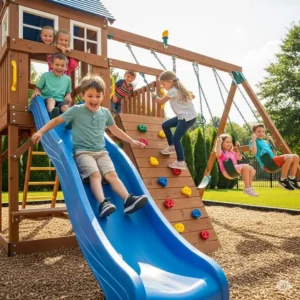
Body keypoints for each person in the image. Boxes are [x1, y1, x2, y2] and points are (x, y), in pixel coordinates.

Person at [31, 74, 148, 218]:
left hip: (102, 152)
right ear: (83, 96)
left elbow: (115, 129)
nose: (94, 99)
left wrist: (131, 141)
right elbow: (56, 121)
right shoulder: (76, 110)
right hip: (82, 152)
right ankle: (102, 203)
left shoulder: (105, 113)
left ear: (103, 95)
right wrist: (41, 132)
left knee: (112, 175)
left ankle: (127, 200)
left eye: (98, 96)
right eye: (90, 96)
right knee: (95, 174)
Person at [151, 70, 197, 170]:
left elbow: (160, 101)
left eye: (164, 84)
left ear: (171, 81)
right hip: (185, 117)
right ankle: (171, 147)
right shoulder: (179, 89)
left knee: (176, 138)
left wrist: (153, 95)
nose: (163, 86)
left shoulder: (173, 90)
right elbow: (193, 96)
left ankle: (181, 162)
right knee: (165, 125)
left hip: (186, 118)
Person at [250, 123, 300, 191]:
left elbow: (274, 153)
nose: (261, 133)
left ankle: (292, 178)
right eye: (259, 131)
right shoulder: (253, 141)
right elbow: (254, 152)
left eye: (263, 131)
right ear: (254, 133)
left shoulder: (265, 142)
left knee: (296, 157)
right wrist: (253, 140)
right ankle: (283, 179)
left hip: (274, 162)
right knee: (289, 157)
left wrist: (271, 142)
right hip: (268, 164)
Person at [32, 53, 72, 130]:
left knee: (65, 107)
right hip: (47, 99)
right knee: (51, 100)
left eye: (62, 65)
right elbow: (37, 88)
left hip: (60, 101)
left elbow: (68, 92)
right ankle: (52, 113)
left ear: (66, 67)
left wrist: (68, 96)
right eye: (57, 65)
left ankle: (69, 121)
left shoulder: (68, 79)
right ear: (52, 65)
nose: (59, 67)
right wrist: (36, 92)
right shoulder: (46, 76)